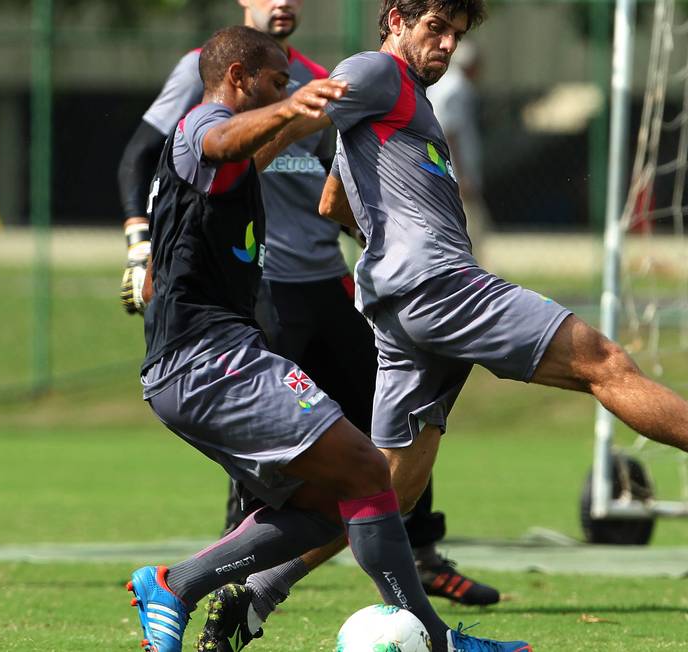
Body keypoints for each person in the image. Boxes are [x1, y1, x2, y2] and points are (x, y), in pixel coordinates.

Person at [203, 0, 688, 648]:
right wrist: (227, 165)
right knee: (600, 359)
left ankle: (253, 595)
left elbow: (334, 200)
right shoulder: (377, 74)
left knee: (386, 487)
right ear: (395, 19)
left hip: (402, 304)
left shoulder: (399, 100)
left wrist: (388, 245)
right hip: (438, 286)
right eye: (433, 28)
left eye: (455, 34)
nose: (446, 44)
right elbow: (302, 114)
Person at [123, 25, 526, 652]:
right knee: (368, 466)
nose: (289, 91)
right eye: (278, 81)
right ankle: (440, 643)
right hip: (205, 360)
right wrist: (291, 107)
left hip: (212, 358)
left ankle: (177, 584)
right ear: (238, 79)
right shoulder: (201, 126)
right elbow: (221, 138)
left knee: (338, 497)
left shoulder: (229, 165)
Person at [425, 39, 490, 259]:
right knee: (470, 232)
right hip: (455, 174)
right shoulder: (457, 89)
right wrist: (460, 176)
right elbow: (449, 132)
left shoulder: (443, 85)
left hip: (443, 171)